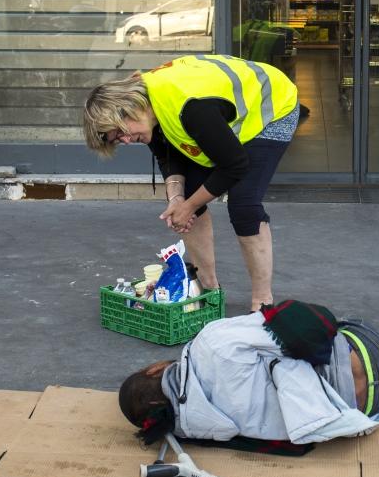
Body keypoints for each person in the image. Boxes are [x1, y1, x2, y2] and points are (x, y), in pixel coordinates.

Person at [82, 54, 300, 311]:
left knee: (244, 206)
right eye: (117, 140)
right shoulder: (147, 108)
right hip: (218, 120)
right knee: (187, 198)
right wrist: (177, 200)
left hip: (272, 106)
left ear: (128, 108)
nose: (126, 141)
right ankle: (208, 292)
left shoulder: (189, 108)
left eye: (120, 133)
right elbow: (167, 155)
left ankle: (262, 302)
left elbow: (234, 165)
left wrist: (187, 206)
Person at [118, 300, 379, 447]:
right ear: (156, 368)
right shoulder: (209, 345)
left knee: (321, 381)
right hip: (366, 350)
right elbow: (292, 328)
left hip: (362, 406)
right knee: (328, 339)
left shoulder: (199, 431)